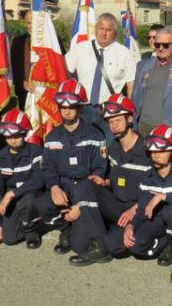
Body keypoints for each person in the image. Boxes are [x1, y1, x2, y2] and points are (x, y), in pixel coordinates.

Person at [36, 79, 111, 266]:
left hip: (87, 190)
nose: (67, 111)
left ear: (79, 107)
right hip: (65, 187)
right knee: (42, 204)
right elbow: (49, 168)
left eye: (71, 106)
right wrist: (53, 187)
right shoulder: (52, 137)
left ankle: (91, 237)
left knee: (79, 246)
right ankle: (65, 229)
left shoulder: (95, 136)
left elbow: (98, 173)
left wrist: (80, 206)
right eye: (62, 107)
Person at [119, 125, 172, 285]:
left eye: (161, 151)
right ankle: (168, 242)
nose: (156, 155)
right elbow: (142, 208)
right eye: (153, 151)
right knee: (134, 246)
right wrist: (131, 226)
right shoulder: (147, 177)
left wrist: (164, 196)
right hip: (160, 221)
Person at [93, 95, 151, 258]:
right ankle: (97, 236)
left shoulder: (147, 149)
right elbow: (117, 178)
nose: (114, 126)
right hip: (119, 205)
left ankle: (161, 239)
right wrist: (105, 182)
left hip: (140, 209)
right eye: (110, 122)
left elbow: (157, 188)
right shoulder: (113, 147)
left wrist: (135, 210)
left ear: (130, 119)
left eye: (118, 120)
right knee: (88, 186)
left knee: (126, 246)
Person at [65, 13, 137, 144]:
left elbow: (131, 84)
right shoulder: (80, 49)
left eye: (108, 30)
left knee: (109, 150)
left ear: (114, 33)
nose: (103, 33)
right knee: (83, 148)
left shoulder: (124, 53)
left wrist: (126, 113)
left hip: (110, 113)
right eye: (101, 28)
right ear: (95, 29)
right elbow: (64, 72)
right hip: (83, 110)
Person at [132, 28, 172, 164]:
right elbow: (136, 96)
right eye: (157, 45)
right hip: (145, 128)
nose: (161, 48)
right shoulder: (142, 66)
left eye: (165, 45)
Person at [0, 108, 44, 248]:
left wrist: (11, 194)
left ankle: (31, 230)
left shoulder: (36, 151)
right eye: (8, 137)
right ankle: (24, 222)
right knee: (9, 239)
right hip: (13, 199)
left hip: (30, 193)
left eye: (16, 136)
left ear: (25, 133)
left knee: (28, 199)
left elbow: (39, 179)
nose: (13, 140)